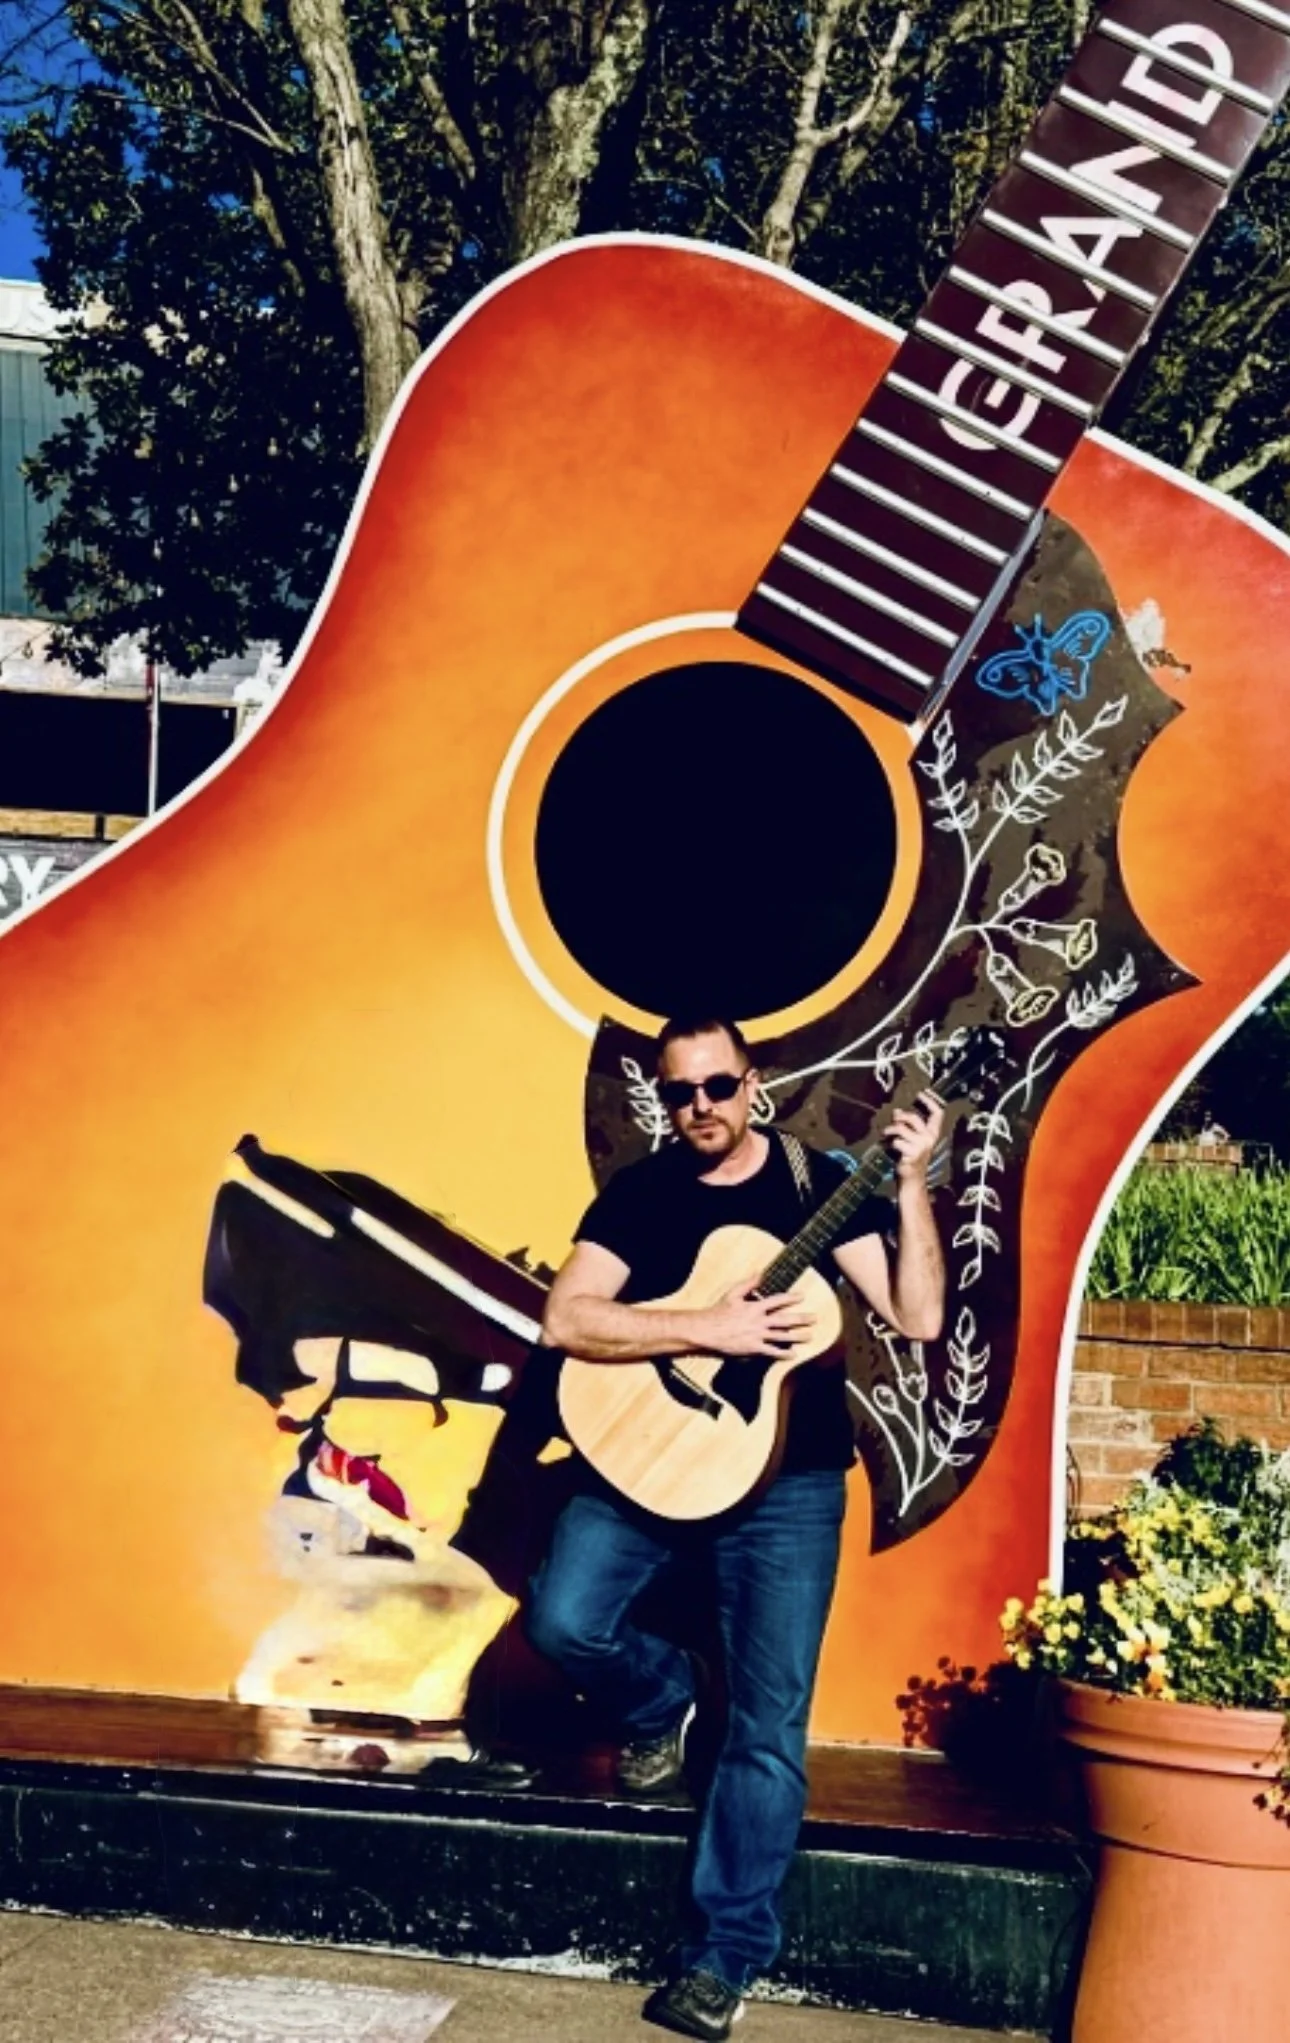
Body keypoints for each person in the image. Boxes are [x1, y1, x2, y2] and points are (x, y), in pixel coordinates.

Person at [528, 1015, 945, 2039]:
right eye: (681, 1093)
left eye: (719, 1086)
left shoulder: (817, 1181)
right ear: (663, 1100)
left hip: (787, 1487)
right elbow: (567, 1320)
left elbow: (919, 1315)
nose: (701, 1108)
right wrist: (703, 1327)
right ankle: (662, 1698)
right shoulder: (643, 1193)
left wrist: (909, 1184)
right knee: (562, 1621)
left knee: (766, 1728)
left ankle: (723, 1959)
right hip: (649, 1462)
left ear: (754, 1084)